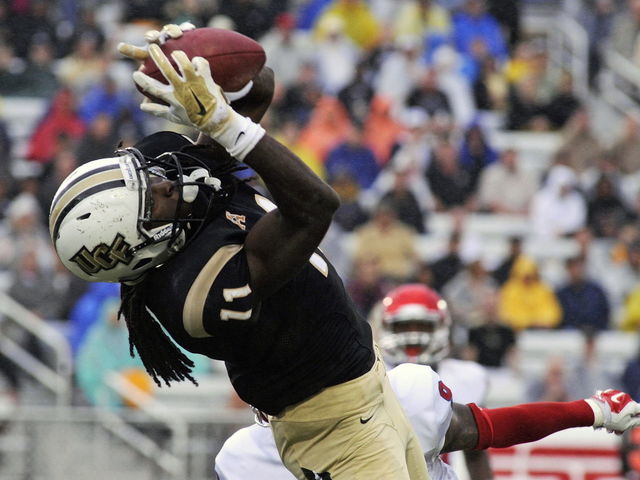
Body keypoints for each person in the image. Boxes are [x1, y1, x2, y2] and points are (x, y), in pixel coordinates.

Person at [50, 25, 429, 480]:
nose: (165, 180)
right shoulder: (191, 293)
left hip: (369, 381)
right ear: (143, 246)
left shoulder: (165, 175)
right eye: (152, 197)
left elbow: (262, 79)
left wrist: (203, 65)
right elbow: (315, 208)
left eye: (144, 176)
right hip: (334, 432)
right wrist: (225, 125)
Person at [215, 364, 640, 479]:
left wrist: (591, 411)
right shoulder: (242, 458)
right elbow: (486, 428)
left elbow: (487, 430)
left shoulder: (405, 398)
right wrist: (592, 409)